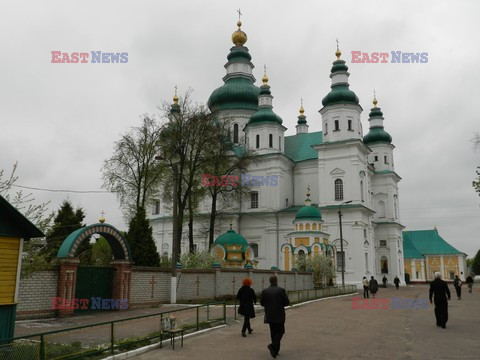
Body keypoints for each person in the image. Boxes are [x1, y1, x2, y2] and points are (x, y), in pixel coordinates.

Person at [260, 276, 290, 359]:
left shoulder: (265, 291)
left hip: (269, 315)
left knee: (273, 332)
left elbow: (262, 303)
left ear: (270, 281)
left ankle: (275, 351)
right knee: (281, 331)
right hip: (279, 315)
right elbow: (287, 302)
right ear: (276, 281)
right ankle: (273, 346)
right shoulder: (281, 290)